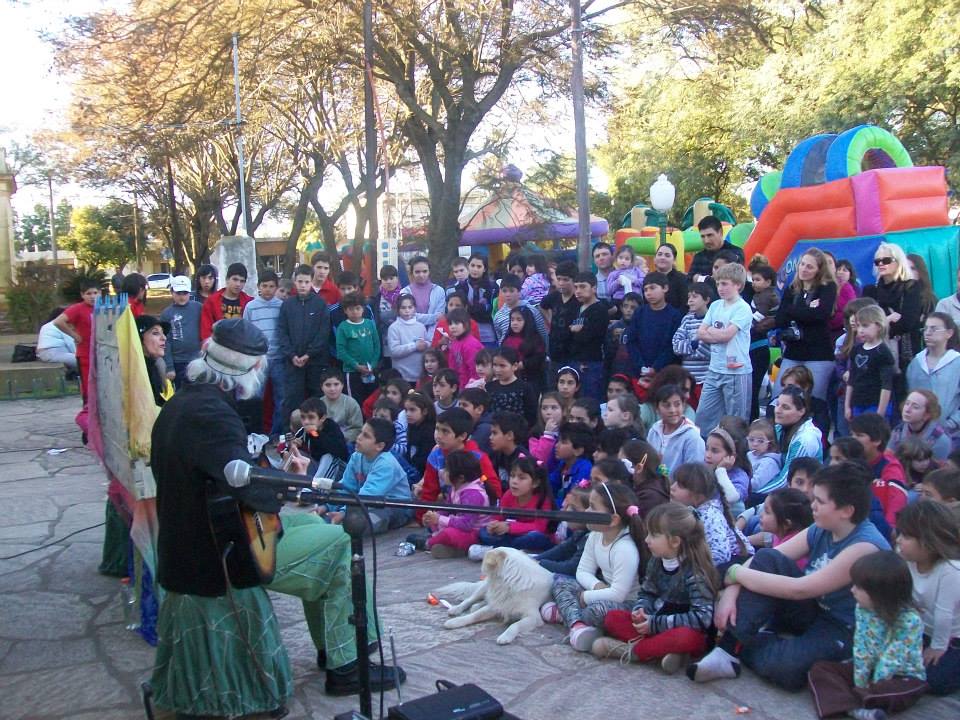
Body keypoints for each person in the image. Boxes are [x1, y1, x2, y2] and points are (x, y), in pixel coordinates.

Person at [149, 319, 403, 715]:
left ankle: (338, 655)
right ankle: (346, 663)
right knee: (339, 543)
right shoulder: (214, 416)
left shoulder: (186, 402)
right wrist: (290, 481)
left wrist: (285, 478)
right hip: (218, 550)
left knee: (317, 525)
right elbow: (245, 487)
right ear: (251, 369)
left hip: (206, 530)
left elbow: (227, 477)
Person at [690, 462, 890, 691]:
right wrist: (731, 592)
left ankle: (747, 640)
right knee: (765, 559)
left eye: (820, 502)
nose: (812, 506)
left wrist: (735, 574)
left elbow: (801, 588)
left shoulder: (864, 546)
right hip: (813, 609)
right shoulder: (822, 527)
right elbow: (766, 559)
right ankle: (727, 651)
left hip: (844, 627)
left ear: (847, 511)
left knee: (786, 670)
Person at [592, 502, 720, 671]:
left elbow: (701, 619)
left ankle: (632, 651)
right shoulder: (657, 561)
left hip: (682, 630)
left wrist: (654, 624)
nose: (647, 540)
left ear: (674, 541)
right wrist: (641, 610)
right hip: (654, 625)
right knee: (612, 618)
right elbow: (647, 592)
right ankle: (664, 654)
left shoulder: (695, 573)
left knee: (686, 638)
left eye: (653, 535)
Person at [807, 552, 926, 720]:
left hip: (899, 675)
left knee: (899, 690)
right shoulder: (862, 609)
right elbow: (862, 646)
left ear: (881, 592)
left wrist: (870, 686)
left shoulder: (910, 620)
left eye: (859, 587)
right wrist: (860, 681)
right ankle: (856, 709)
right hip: (867, 669)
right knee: (821, 669)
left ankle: (848, 702)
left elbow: (892, 658)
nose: (852, 590)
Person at [540, 482, 643, 651]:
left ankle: (565, 614)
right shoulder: (595, 535)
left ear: (613, 519)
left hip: (624, 602)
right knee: (559, 581)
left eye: (592, 508)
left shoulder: (625, 548)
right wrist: (595, 586)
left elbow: (618, 594)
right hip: (600, 590)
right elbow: (583, 570)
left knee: (597, 610)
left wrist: (585, 597)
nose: (586, 512)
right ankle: (577, 625)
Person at [895, 498, 960, 696]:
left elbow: (944, 614)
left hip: (951, 636)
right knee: (896, 662)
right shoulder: (907, 560)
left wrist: (938, 648)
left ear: (929, 542)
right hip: (921, 629)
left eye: (905, 536)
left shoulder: (950, 570)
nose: (898, 540)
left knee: (937, 681)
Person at [324, 418, 413, 534]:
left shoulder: (386, 464)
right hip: (368, 501)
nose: (359, 437)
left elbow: (368, 496)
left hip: (396, 506)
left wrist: (343, 513)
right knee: (329, 517)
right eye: (361, 432)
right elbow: (346, 487)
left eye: (366, 436)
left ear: (380, 446)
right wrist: (327, 507)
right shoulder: (356, 457)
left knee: (358, 525)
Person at [695, 263, 754, 432]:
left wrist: (712, 332)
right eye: (718, 283)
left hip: (736, 371)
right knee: (703, 416)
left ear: (737, 285)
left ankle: (736, 454)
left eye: (724, 283)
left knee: (735, 421)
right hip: (715, 369)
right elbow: (701, 333)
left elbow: (728, 335)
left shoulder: (743, 308)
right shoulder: (715, 306)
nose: (720, 288)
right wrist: (717, 334)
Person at [415, 407, 500, 524]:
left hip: (476, 516)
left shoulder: (477, 458)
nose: (438, 436)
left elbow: (493, 487)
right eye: (437, 429)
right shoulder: (435, 456)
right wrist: (421, 518)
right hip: (448, 511)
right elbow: (429, 490)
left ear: (462, 436)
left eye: (445, 431)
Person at [773, 248, 838, 401]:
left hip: (818, 354)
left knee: (814, 400)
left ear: (819, 270)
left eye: (810, 266)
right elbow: (780, 319)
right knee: (779, 395)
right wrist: (807, 310)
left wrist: (794, 311)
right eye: (802, 264)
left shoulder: (827, 287)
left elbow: (822, 314)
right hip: (794, 351)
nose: (804, 269)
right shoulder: (792, 289)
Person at [670, 463, 752, 570]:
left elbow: (721, 555)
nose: (672, 487)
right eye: (674, 482)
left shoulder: (709, 516)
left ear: (698, 496)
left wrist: (692, 566)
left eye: (681, 486)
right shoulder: (693, 511)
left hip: (738, 564)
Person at [863, 243, 925, 382]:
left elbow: (908, 323)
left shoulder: (910, 287)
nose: (881, 264)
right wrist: (889, 319)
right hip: (877, 352)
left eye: (886, 260)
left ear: (898, 261)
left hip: (905, 353)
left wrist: (879, 325)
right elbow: (864, 323)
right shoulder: (870, 290)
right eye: (877, 261)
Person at [472, 456, 555, 557]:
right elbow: (498, 516)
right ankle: (513, 551)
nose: (514, 481)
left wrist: (509, 527)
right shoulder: (508, 495)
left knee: (535, 537)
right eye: (512, 476)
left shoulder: (543, 499)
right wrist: (493, 525)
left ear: (535, 483)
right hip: (512, 535)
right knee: (483, 532)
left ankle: (495, 551)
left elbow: (540, 527)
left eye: (521, 478)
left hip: (530, 534)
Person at [278, 264, 330, 422]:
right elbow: (282, 332)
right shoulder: (287, 305)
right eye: (300, 281)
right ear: (295, 281)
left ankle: (317, 433)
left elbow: (323, 333)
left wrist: (309, 354)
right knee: (292, 399)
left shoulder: (320, 304)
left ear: (311, 282)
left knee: (317, 398)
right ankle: (290, 436)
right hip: (293, 362)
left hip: (315, 361)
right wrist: (292, 355)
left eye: (306, 282)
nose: (303, 285)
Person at [53, 278, 101, 438]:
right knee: (89, 391)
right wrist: (74, 335)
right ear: (82, 295)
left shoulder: (104, 308)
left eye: (95, 293)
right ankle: (88, 428)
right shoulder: (78, 309)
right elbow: (59, 322)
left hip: (102, 355)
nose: (92, 296)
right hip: (85, 355)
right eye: (89, 294)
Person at [906, 312, 960, 449]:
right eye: (926, 328)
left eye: (934, 329)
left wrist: (952, 423)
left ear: (949, 333)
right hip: (917, 433)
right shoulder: (916, 363)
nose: (928, 333)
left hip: (951, 434)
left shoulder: (956, 362)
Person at [850, 413, 909, 531]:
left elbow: (897, 499)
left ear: (877, 440)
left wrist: (890, 528)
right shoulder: (846, 457)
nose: (852, 439)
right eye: (852, 434)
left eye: (859, 435)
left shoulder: (889, 465)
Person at [242, 272, 285, 432]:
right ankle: (256, 433)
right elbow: (246, 333)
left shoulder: (281, 306)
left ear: (276, 287)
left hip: (279, 358)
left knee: (281, 398)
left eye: (271, 286)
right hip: (258, 359)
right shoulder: (251, 307)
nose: (268, 289)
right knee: (255, 397)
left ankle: (276, 434)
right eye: (264, 286)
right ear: (258, 287)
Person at [845, 305, 896, 421]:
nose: (860, 330)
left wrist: (880, 413)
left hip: (875, 404)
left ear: (878, 326)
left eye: (865, 326)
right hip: (857, 403)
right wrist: (847, 406)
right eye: (858, 326)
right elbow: (851, 379)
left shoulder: (883, 353)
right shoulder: (856, 349)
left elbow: (886, 385)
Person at [629, 272, 684, 378]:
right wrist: (641, 366)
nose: (648, 293)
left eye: (652, 288)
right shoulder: (639, 313)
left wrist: (656, 367)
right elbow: (632, 342)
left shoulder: (675, 315)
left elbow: (673, 346)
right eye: (645, 290)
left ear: (665, 288)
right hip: (641, 371)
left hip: (666, 373)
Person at [336, 292, 381, 406]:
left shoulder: (370, 324)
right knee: (355, 402)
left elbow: (377, 345)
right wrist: (356, 365)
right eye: (351, 309)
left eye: (357, 308)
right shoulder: (343, 327)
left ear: (363, 309)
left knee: (372, 401)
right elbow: (341, 351)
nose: (355, 312)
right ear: (345, 310)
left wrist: (373, 364)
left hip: (371, 370)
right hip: (352, 372)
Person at [537, 486, 593, 576]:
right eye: (568, 506)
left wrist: (539, 563)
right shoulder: (580, 532)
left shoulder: (590, 538)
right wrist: (534, 559)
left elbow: (571, 569)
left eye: (574, 509)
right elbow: (561, 551)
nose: (567, 510)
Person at [160, 276, 204, 390]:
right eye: (178, 293)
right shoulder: (167, 314)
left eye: (185, 293)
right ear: (172, 292)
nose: (182, 296)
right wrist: (169, 367)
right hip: (178, 361)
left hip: (198, 359)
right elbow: (166, 341)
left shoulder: (198, 308)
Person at [746, 488, 812, 559]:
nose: (761, 515)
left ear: (786, 524)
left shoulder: (792, 551)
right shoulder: (778, 535)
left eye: (767, 512)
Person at [540, 260, 580, 380]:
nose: (561, 283)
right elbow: (542, 305)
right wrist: (549, 319)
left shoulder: (579, 299)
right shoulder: (554, 296)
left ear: (574, 280)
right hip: (555, 351)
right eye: (559, 279)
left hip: (573, 352)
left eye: (566, 280)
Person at [672, 282, 714, 396]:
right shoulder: (687, 319)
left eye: (695, 297)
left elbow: (709, 351)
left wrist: (688, 350)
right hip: (687, 379)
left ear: (706, 300)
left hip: (706, 379)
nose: (690, 300)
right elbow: (676, 345)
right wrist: (693, 345)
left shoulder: (713, 320)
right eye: (689, 297)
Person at [749, 264, 779, 419]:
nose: (754, 282)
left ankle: (753, 420)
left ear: (768, 282)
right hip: (757, 342)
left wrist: (748, 326)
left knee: (752, 391)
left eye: (757, 280)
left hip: (758, 345)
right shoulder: (759, 295)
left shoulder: (766, 296)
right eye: (753, 279)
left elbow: (760, 314)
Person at [889, 390, 952, 461]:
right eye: (907, 403)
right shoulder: (897, 431)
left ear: (927, 414)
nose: (907, 409)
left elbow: (938, 470)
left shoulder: (940, 440)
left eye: (915, 407)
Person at [486, 347, 538, 426]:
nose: (497, 369)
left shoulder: (525, 388)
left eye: (502, 366)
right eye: (495, 365)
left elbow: (531, 415)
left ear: (515, 366)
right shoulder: (489, 387)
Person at [200, 262, 253, 340]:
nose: (238, 284)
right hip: (217, 347)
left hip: (242, 347)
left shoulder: (249, 302)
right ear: (227, 279)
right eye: (235, 279)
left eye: (242, 281)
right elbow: (206, 331)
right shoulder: (211, 302)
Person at [501, 305, 546, 395]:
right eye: (512, 320)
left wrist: (523, 364)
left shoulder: (535, 339)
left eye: (519, 320)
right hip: (509, 378)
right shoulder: (507, 339)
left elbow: (539, 358)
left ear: (527, 321)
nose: (514, 323)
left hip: (530, 380)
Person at [493, 274, 548, 346]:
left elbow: (543, 335)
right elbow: (501, 339)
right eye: (504, 291)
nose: (507, 294)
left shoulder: (532, 311)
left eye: (511, 291)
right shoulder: (498, 316)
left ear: (519, 291)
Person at [548, 421, 595, 503]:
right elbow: (549, 485)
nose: (556, 445)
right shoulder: (563, 464)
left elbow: (573, 501)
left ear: (578, 451)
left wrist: (547, 504)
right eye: (558, 440)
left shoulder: (585, 469)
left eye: (563, 442)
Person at [687, 216, 744, 283]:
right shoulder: (699, 257)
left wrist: (699, 278)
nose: (706, 241)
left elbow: (732, 280)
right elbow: (689, 280)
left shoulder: (736, 252)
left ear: (720, 232)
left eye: (710, 235)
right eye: (703, 236)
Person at [387, 294, 429, 384]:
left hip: (419, 376)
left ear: (415, 308)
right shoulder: (394, 328)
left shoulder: (421, 326)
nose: (407, 311)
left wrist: (426, 345)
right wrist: (415, 346)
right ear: (398, 309)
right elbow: (394, 351)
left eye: (410, 307)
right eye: (403, 308)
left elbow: (427, 344)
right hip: (401, 377)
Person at [294, 396, 350, 464]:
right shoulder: (303, 431)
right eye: (303, 417)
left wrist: (314, 433)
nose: (306, 421)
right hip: (314, 466)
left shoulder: (332, 427)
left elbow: (339, 451)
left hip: (335, 468)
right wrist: (295, 445)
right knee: (296, 454)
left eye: (311, 417)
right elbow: (286, 448)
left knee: (327, 457)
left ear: (322, 418)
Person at [457, 254, 498, 345]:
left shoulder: (493, 287)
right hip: (466, 330)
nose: (475, 269)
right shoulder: (460, 287)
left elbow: (493, 309)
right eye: (472, 265)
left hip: (487, 333)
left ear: (484, 269)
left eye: (479, 266)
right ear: (468, 266)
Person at [401, 255, 446, 337]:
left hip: (434, 338)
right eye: (417, 272)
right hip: (411, 337)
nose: (421, 275)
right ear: (412, 273)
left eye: (425, 271)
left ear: (429, 272)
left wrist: (429, 341)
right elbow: (408, 316)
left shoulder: (439, 291)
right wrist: (434, 317)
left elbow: (440, 317)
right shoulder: (404, 292)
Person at [486, 410, 530, 491]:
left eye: (494, 433)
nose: (490, 437)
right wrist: (482, 480)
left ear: (510, 435)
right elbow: (486, 476)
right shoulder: (495, 454)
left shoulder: (523, 460)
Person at [444, 307, 483, 390]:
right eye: (450, 324)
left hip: (471, 386)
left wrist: (470, 386)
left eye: (457, 323)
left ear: (466, 324)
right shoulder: (455, 342)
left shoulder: (470, 344)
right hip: (459, 384)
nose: (453, 327)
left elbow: (475, 370)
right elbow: (452, 366)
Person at [320, 370, 364, 444]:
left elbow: (357, 429)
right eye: (328, 385)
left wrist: (338, 437)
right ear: (321, 387)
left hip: (346, 442)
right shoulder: (318, 404)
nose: (332, 389)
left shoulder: (351, 403)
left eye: (336, 384)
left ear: (342, 385)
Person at [370, 264, 401, 365]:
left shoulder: (404, 295)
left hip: (402, 340)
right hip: (383, 341)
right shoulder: (376, 298)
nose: (388, 282)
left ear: (397, 278)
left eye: (391, 278)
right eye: (385, 279)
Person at [746, 419, 781, 500]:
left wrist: (737, 482)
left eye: (761, 441)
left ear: (770, 443)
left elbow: (755, 485)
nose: (755, 444)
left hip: (760, 498)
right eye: (751, 440)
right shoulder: (749, 454)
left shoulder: (769, 463)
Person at [402, 391, 436, 477]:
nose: (408, 414)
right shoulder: (412, 426)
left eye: (412, 410)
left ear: (424, 411)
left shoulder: (430, 431)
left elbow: (424, 459)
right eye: (406, 410)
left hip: (422, 473)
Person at [652, 242, 689, 310]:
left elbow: (684, 305)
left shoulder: (682, 279)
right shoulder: (649, 278)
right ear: (655, 258)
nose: (662, 257)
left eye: (667, 255)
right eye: (659, 254)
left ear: (674, 260)